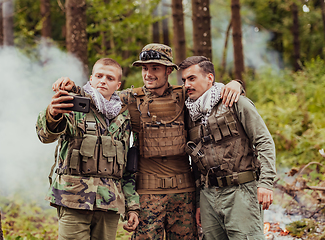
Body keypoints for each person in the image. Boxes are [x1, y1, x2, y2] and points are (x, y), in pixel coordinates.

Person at [53, 44, 242, 239]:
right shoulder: (129, 98)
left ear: (168, 70)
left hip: (183, 193)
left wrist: (236, 84)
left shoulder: (184, 95)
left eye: (155, 68)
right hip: (147, 193)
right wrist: (73, 87)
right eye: (145, 68)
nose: (148, 74)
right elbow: (98, 96)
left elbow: (211, 92)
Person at [36, 58, 140, 240]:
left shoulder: (124, 118)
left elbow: (126, 169)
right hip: (73, 199)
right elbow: (46, 136)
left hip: (109, 204)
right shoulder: (75, 104)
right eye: (99, 76)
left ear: (118, 85)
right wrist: (52, 114)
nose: (103, 81)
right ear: (91, 79)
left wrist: (132, 207)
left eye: (109, 78)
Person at [180, 56, 276, 240]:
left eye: (192, 78)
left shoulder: (235, 102)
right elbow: (196, 163)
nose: (187, 85)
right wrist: (200, 201)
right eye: (184, 80)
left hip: (241, 192)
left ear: (209, 78)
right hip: (209, 196)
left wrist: (266, 183)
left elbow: (264, 141)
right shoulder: (190, 113)